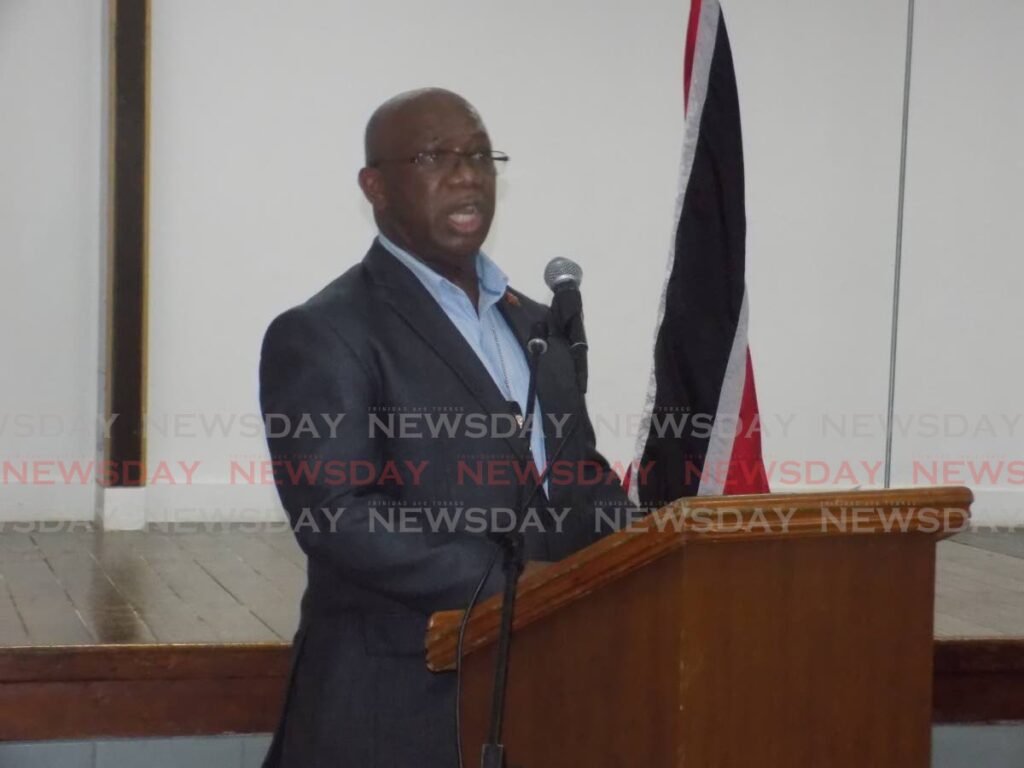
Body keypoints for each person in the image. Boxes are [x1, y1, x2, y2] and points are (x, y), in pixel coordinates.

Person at [258, 87, 630, 767]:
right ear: (375, 185)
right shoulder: (324, 333)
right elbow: (340, 516)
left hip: (545, 691)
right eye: (437, 156)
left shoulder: (536, 322)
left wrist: (640, 549)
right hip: (398, 702)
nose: (467, 174)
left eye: (482, 156)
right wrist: (517, 586)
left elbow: (578, 473)